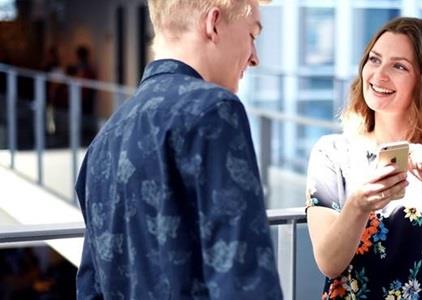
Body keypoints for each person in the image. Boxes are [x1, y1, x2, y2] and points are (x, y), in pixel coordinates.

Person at [75, 0, 283, 299]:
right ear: (213, 24)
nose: (255, 58)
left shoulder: (105, 139)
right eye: (252, 35)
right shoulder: (214, 110)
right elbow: (244, 278)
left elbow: (90, 288)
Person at [305, 17, 422, 299]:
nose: (379, 75)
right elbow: (329, 263)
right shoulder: (332, 153)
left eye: (399, 66)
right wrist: (358, 205)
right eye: (374, 60)